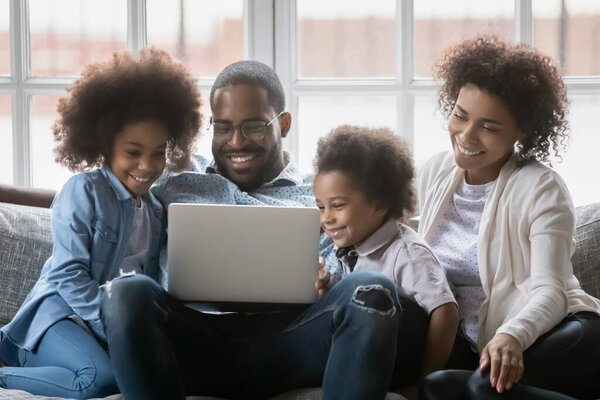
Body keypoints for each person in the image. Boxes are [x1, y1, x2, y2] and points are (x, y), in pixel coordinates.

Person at [98, 60, 403, 400]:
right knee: (123, 293)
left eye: (254, 126)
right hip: (190, 345)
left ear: (283, 124)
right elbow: (106, 199)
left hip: (290, 344)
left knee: (370, 288)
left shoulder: (321, 196)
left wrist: (328, 281)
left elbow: (346, 267)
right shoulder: (172, 183)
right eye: (224, 127)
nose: (237, 142)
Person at [0, 48, 202, 399]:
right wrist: (116, 328)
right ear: (104, 145)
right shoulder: (83, 191)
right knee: (100, 380)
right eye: (132, 152)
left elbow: (148, 282)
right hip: (59, 318)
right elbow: (67, 276)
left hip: (106, 329)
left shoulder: (155, 210)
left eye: (158, 152)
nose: (146, 165)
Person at [417, 36, 600, 400]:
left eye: (488, 126)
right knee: (439, 387)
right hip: (481, 348)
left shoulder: (541, 188)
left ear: (522, 131)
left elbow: (551, 291)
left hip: (562, 330)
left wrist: (511, 334)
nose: (466, 136)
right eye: (460, 114)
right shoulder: (435, 172)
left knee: (484, 386)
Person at [312, 125, 459, 398]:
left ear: (379, 204)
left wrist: (425, 383)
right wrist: (330, 288)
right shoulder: (353, 249)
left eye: (338, 205)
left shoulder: (408, 253)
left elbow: (446, 311)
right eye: (321, 207)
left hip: (403, 359)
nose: (326, 218)